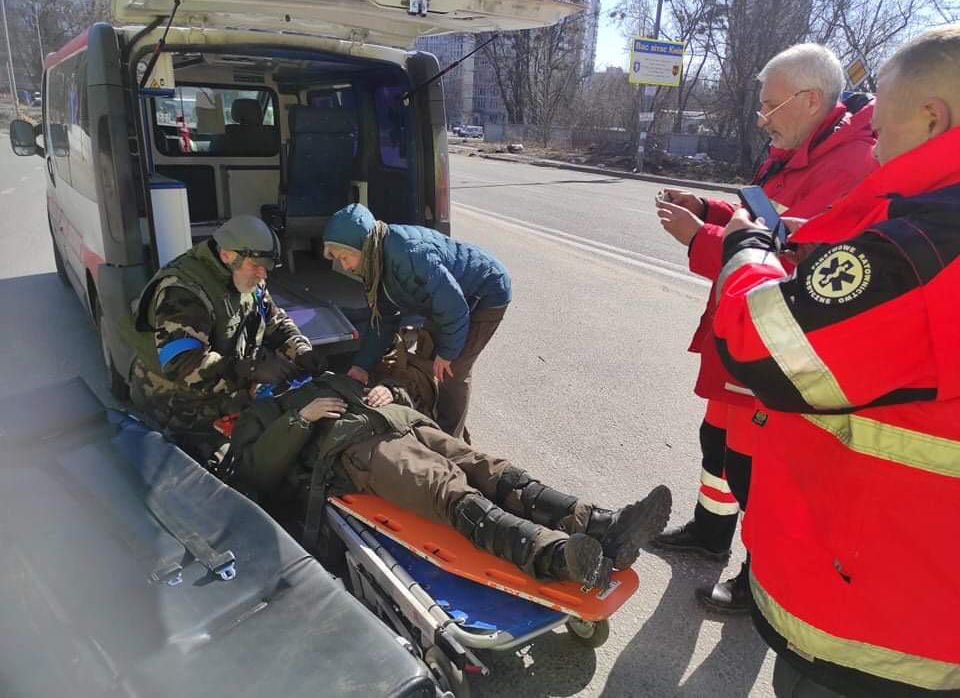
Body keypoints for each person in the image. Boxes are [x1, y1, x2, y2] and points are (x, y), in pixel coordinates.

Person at [713, 25, 960, 696]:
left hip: (884, 624)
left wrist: (745, 250)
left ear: (932, 117)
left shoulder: (930, 244)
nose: (873, 142)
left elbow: (767, 347)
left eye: (881, 123)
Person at [650, 44, 878, 612]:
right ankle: (710, 532)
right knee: (719, 443)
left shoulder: (849, 166)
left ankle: (763, 577)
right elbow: (765, 221)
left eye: (770, 106)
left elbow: (802, 263)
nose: (761, 119)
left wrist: (701, 239)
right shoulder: (801, 150)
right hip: (744, 329)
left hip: (775, 338)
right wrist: (709, 211)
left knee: (760, 470)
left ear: (810, 100)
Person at [219, 371, 673, 592]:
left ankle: (604, 525)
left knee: (494, 470)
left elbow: (394, 390)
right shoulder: (263, 413)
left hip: (401, 421)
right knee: (449, 490)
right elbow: (257, 470)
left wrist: (389, 391)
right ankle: (556, 557)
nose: (280, 363)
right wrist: (300, 419)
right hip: (358, 452)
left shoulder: (326, 376)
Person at [126, 214, 324, 459]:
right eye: (256, 266)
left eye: (266, 267)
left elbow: (275, 321)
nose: (263, 275)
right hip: (175, 405)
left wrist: (301, 351)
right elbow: (182, 364)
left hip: (223, 396)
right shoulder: (184, 291)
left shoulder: (248, 277)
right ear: (227, 255)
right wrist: (249, 370)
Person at [322, 203, 510, 441]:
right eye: (338, 259)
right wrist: (362, 365)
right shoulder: (374, 263)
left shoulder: (410, 253)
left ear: (364, 244)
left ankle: (450, 442)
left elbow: (454, 307)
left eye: (346, 257)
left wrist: (448, 353)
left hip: (486, 293)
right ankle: (439, 422)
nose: (345, 266)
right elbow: (383, 319)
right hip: (446, 302)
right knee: (428, 362)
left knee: (452, 371)